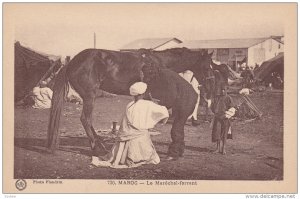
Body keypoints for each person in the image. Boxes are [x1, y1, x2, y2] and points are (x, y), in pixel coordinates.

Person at [91, 82, 169, 168]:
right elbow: (164, 112)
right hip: (140, 135)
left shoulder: (129, 105)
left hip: (126, 132)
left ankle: (123, 157)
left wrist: (118, 128)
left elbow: (123, 120)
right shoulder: (148, 104)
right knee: (145, 148)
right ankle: (137, 157)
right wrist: (161, 120)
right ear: (143, 94)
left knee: (131, 138)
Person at [211, 84, 236, 155]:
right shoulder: (217, 98)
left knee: (224, 133)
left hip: (225, 118)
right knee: (217, 132)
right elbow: (212, 106)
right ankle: (217, 148)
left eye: (224, 89)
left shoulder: (229, 98)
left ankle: (224, 148)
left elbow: (232, 108)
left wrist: (227, 115)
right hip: (217, 117)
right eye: (221, 89)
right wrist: (215, 112)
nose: (222, 91)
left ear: (226, 90)